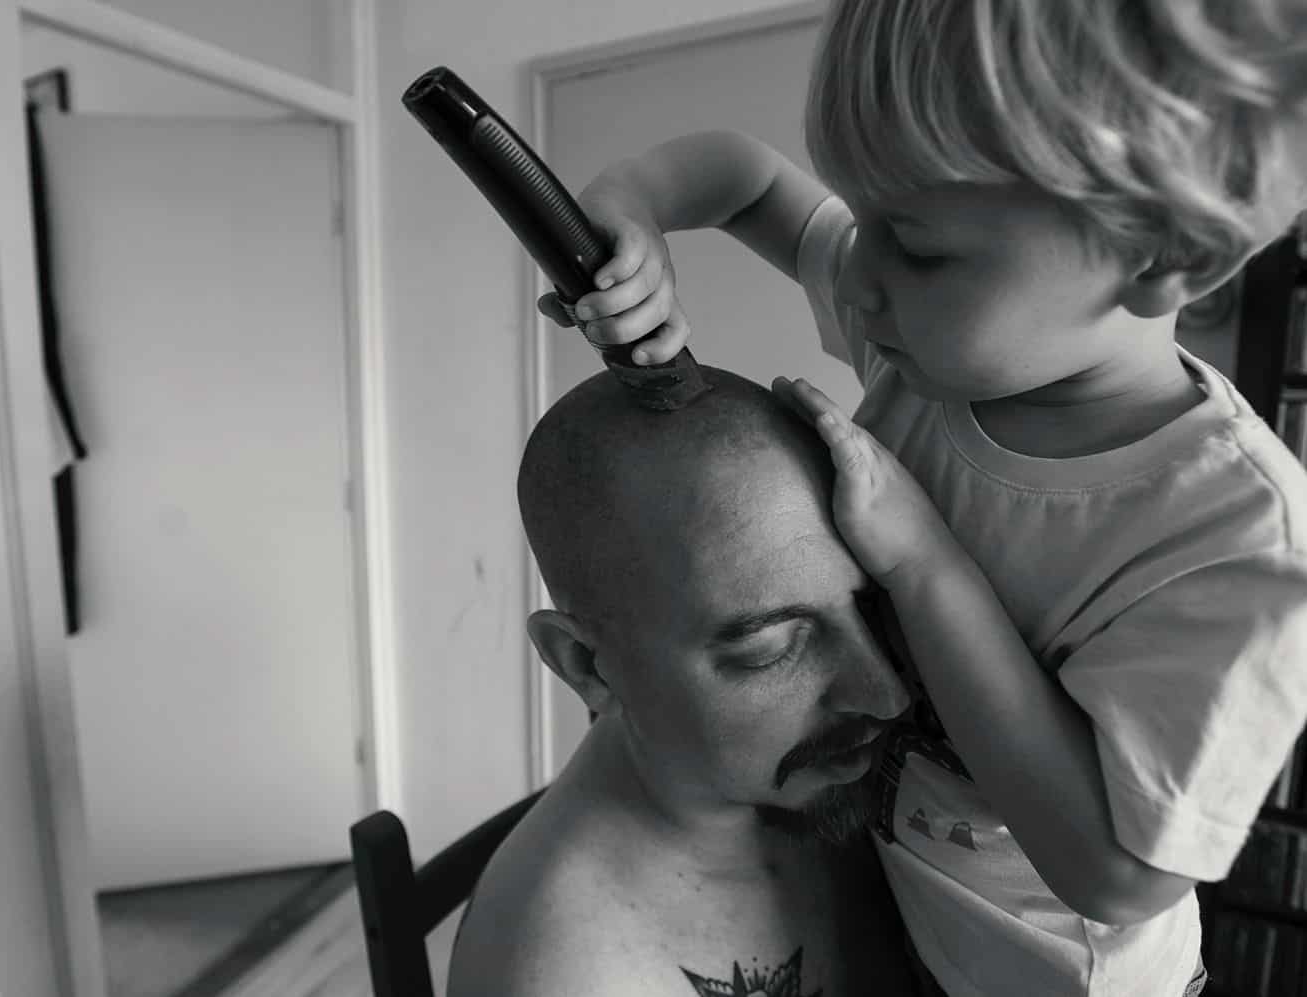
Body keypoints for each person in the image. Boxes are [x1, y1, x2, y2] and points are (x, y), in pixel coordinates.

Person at [536, 2, 1307, 994]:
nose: (854, 278)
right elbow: (740, 174)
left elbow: (1117, 876)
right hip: (912, 941)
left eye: (919, 245)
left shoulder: (1236, 539)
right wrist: (630, 206)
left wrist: (922, 558)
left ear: (1163, 257)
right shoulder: (930, 353)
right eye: (860, 219)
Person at [448, 365, 918, 996]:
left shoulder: (817, 769)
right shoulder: (571, 975)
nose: (885, 694)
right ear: (586, 665)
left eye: (873, 607)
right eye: (769, 649)